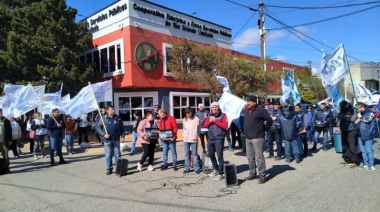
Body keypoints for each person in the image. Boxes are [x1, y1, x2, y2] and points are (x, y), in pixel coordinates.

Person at [243, 95, 273, 184]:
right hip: (248, 137)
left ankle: (262, 176)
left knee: (259, 157)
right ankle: (252, 173)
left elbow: (269, 120)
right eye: (247, 101)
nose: (247, 103)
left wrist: (264, 128)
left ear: (254, 102)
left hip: (257, 137)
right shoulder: (246, 110)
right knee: (250, 157)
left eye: (249, 102)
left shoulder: (261, 110)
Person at [95, 105, 125, 175]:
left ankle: (118, 169)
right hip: (107, 140)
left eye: (113, 109)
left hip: (116, 139)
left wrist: (123, 136)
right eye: (111, 110)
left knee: (117, 154)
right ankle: (109, 168)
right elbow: (98, 127)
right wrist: (104, 134)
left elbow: (122, 128)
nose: (113, 111)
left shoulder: (118, 118)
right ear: (108, 111)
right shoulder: (104, 118)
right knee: (108, 155)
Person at [356, 102, 377, 171]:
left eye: (358, 107)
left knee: (369, 150)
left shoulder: (370, 113)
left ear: (362, 107)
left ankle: (371, 165)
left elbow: (367, 120)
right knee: (363, 151)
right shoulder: (361, 114)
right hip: (360, 134)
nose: (358, 109)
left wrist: (360, 117)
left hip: (367, 134)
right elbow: (356, 122)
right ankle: (365, 164)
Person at [337, 101, 358, 167]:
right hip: (343, 129)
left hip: (351, 130)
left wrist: (345, 117)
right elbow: (339, 116)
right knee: (344, 146)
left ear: (347, 105)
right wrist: (345, 116)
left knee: (352, 146)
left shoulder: (353, 109)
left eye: (344, 106)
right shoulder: (342, 109)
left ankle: (354, 161)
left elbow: (352, 118)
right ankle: (347, 159)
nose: (343, 108)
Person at [182, 108, 201, 174]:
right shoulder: (184, 119)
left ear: (192, 112)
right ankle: (187, 168)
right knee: (186, 154)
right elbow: (184, 128)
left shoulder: (196, 119)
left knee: (195, 154)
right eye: (186, 113)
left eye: (189, 113)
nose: (187, 114)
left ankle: (196, 168)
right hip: (186, 139)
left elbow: (199, 128)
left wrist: (196, 135)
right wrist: (184, 135)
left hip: (194, 138)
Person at [0, 108, 12, 173]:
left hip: (4, 141)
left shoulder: (6, 121)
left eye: (1, 113)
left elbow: (10, 131)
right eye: (0, 113)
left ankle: (7, 167)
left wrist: (10, 140)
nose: (0, 114)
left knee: (5, 155)